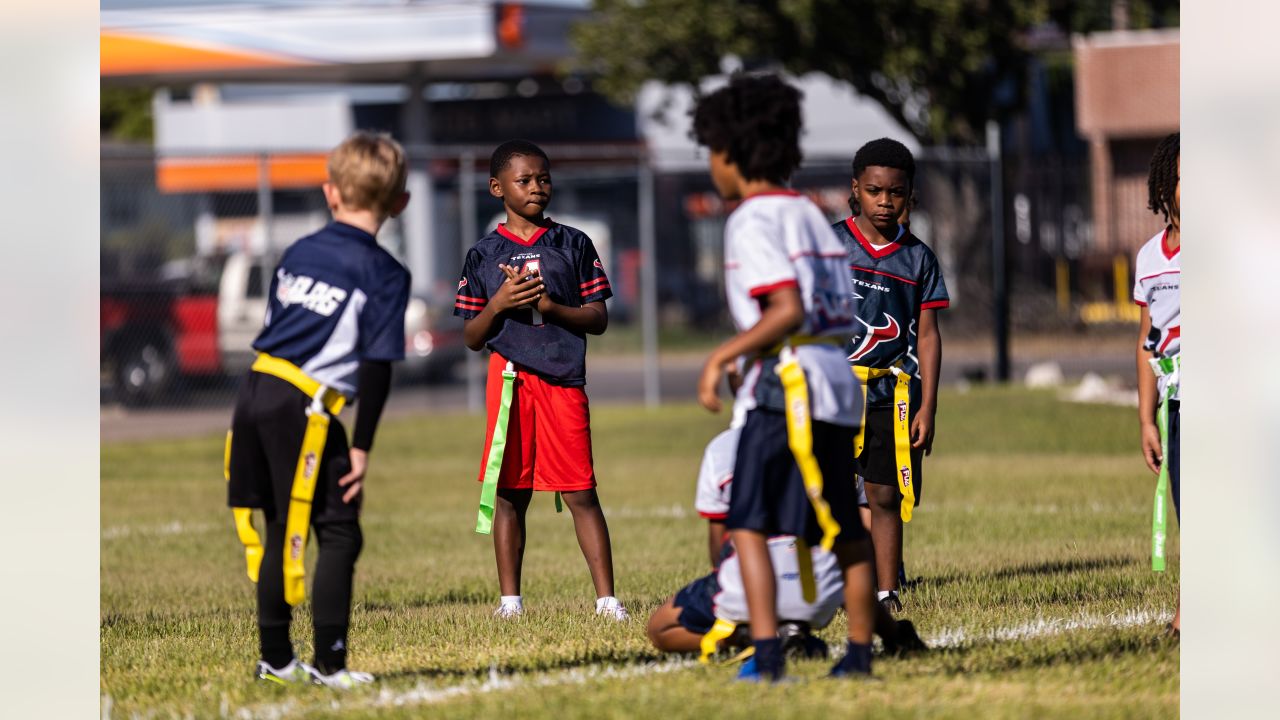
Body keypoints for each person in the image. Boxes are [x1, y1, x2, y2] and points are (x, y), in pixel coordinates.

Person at [692, 73, 878, 682]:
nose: (711, 166)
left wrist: (723, 356)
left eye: (712, 152)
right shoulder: (808, 210)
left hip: (789, 384)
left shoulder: (751, 218)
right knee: (842, 524)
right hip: (834, 377)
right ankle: (856, 654)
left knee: (746, 519)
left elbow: (786, 309)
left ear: (733, 153)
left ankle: (768, 654)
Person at [225, 131, 412, 688]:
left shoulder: (300, 250)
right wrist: (362, 446)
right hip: (302, 405)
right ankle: (329, 664)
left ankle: (277, 659)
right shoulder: (384, 273)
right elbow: (378, 366)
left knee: (284, 524)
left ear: (331, 193)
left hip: (255, 388)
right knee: (338, 531)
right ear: (400, 203)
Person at [454, 139, 627, 621]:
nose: (536, 187)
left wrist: (550, 307)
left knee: (581, 491)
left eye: (543, 178)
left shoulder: (572, 243)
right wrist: (500, 304)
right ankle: (510, 601)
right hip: (509, 382)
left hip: (563, 379)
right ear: (497, 188)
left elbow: (598, 318)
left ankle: (607, 600)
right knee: (511, 493)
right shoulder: (484, 254)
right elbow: (471, 336)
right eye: (524, 180)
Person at [647, 426, 925, 660]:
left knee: (660, 628)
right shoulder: (821, 439)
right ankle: (894, 636)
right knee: (843, 562)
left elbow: (719, 546)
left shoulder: (722, 448)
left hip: (750, 588)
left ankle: (750, 638)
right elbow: (850, 537)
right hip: (820, 588)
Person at [834, 138, 949, 613]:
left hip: (891, 394)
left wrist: (928, 404)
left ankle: (886, 591)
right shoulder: (831, 245)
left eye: (896, 193)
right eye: (875, 191)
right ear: (855, 190)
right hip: (833, 392)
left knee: (883, 493)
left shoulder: (919, 258)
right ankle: (835, 582)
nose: (885, 201)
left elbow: (927, 335)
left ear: (910, 196)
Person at [1133, 131, 1180, 635]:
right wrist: (1146, 417)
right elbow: (1147, 342)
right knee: (1188, 505)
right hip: (1178, 404)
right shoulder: (1149, 259)